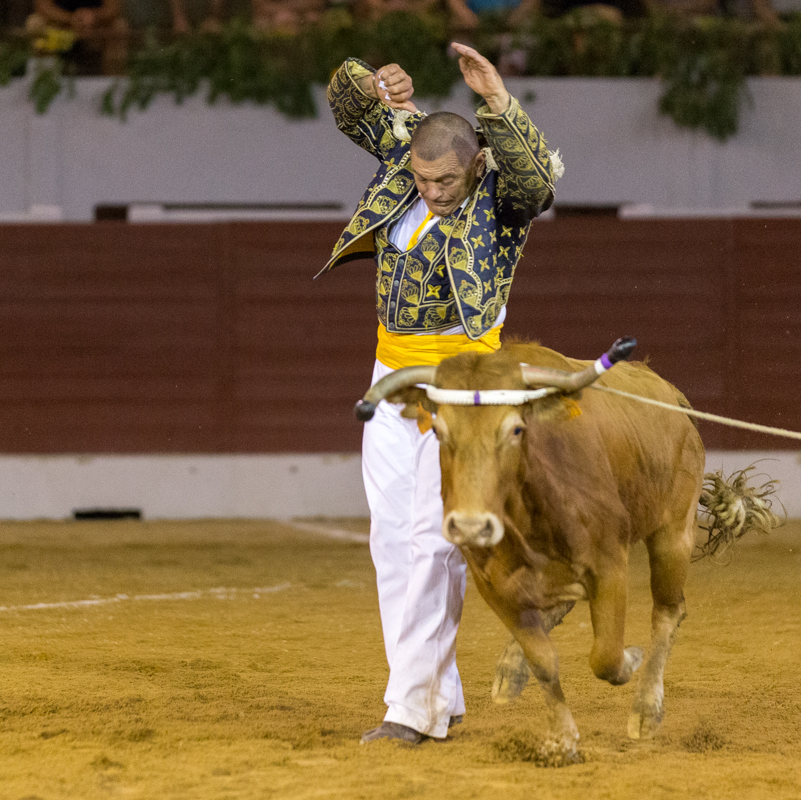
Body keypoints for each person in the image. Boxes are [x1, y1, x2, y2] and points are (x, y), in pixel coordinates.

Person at [317, 42, 561, 744]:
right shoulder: (409, 159)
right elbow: (348, 104)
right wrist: (374, 79)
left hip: (466, 387)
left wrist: (498, 101)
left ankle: (412, 709)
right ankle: (440, 692)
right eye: (423, 179)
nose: (432, 189)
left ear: (475, 163)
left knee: (431, 539)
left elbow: (539, 181)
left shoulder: (499, 196)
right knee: (393, 539)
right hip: (391, 377)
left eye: (445, 180)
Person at [28, 0, 129, 74]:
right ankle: (44, 82)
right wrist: (70, 19)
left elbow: (114, 8)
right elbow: (42, 7)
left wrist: (94, 16)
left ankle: (114, 87)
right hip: (60, 28)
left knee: (119, 26)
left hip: (95, 29)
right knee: (35, 23)